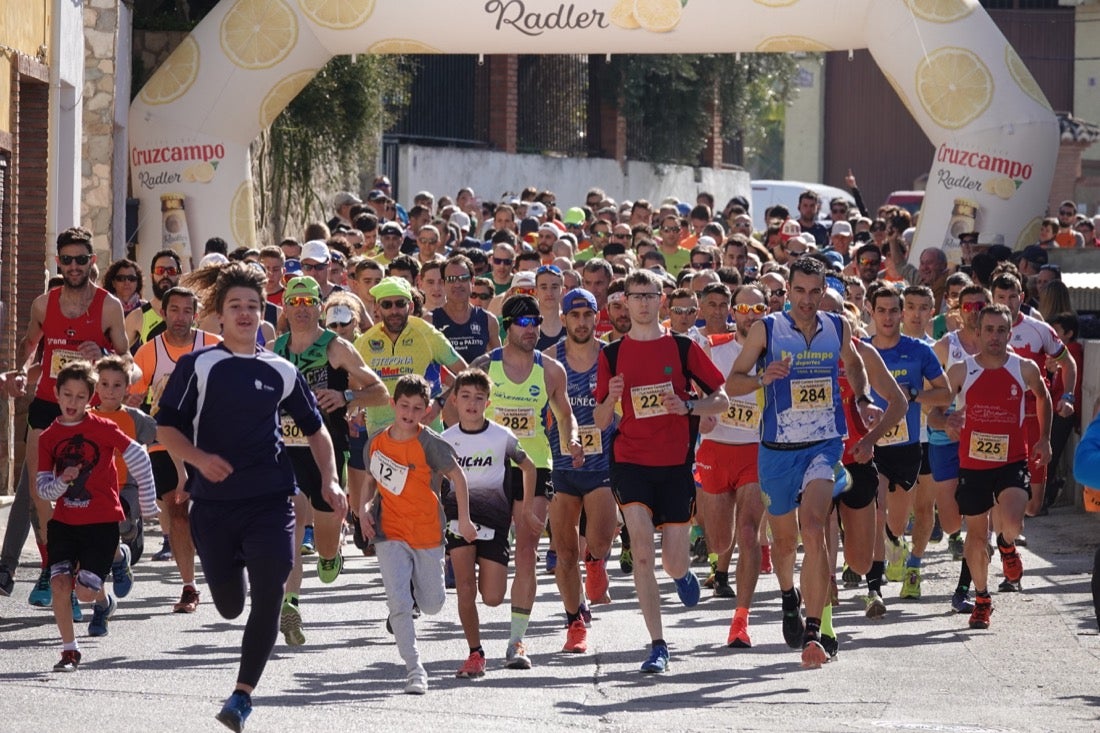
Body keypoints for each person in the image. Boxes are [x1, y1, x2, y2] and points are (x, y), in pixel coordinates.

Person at [155, 262, 346, 731]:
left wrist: (331, 478)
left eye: (252, 307)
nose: (244, 313)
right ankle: (227, 580)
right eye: (235, 306)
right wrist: (198, 460)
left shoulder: (280, 369)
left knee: (268, 594)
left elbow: (317, 430)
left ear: (264, 315)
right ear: (218, 316)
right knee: (228, 605)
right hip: (213, 504)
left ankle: (242, 696)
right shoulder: (197, 365)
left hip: (271, 497)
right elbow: (166, 428)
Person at [727, 256, 877, 669]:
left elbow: (855, 363)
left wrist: (862, 398)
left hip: (824, 445)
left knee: (814, 527)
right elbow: (732, 382)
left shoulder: (837, 327)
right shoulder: (768, 329)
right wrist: (762, 378)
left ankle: (814, 628)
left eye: (815, 292)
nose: (807, 300)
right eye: (800, 291)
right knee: (784, 542)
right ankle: (788, 596)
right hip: (777, 449)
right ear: (787, 291)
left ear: (824, 290)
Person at [595, 269, 728, 673]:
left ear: (660, 301)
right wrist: (611, 399)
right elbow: (601, 421)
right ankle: (657, 644)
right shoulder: (612, 354)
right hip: (630, 461)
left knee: (673, 562)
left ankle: (682, 574)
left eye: (649, 296)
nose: (642, 303)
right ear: (624, 303)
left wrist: (688, 407)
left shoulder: (684, 348)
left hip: (674, 465)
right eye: (634, 297)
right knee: (641, 555)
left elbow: (720, 400)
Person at [7, 227, 131, 608]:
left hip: (89, 409)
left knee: (88, 497)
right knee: (40, 494)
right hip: (47, 405)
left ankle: (112, 557)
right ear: (57, 262)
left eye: (81, 259)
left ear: (92, 262)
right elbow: (30, 346)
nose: (74, 266)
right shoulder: (44, 304)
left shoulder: (109, 306)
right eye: (67, 259)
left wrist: (105, 349)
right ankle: (52, 569)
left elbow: (127, 361)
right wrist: (16, 372)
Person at [272, 276, 388, 647]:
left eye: (309, 301)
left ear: (319, 307)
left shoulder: (334, 347)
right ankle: (289, 603)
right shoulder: (276, 349)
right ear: (286, 309)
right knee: (288, 527)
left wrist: (346, 395)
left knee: (322, 543)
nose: (302, 308)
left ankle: (330, 553)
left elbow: (381, 392)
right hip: (285, 452)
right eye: (296, 302)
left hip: (326, 455)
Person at [469, 294, 582, 669]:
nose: (531, 328)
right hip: (489, 468)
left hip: (535, 466)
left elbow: (565, 415)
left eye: (535, 322)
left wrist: (573, 441)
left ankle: (517, 641)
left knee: (528, 549)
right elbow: (463, 414)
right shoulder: (484, 367)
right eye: (523, 322)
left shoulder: (550, 370)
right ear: (507, 327)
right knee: (491, 589)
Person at [36, 360, 156, 671]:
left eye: (80, 396)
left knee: (86, 594)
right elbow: (43, 488)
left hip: (102, 523)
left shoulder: (103, 428)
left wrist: (147, 502)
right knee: (61, 584)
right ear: (56, 394)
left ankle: (112, 576)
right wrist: (62, 482)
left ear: (90, 398)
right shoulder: (48, 437)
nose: (72, 402)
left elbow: (141, 457)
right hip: (65, 523)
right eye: (67, 395)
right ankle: (69, 651)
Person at [361, 374, 478, 694]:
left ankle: (414, 596)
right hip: (390, 532)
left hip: (427, 533)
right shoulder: (376, 442)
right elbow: (370, 480)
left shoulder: (430, 443)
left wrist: (464, 520)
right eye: (404, 406)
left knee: (433, 604)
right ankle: (415, 670)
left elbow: (459, 477)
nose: (409, 414)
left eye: (416, 408)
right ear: (392, 404)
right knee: (398, 603)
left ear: (426, 410)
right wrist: (363, 509)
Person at [943, 304, 1051, 629]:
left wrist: (1044, 439)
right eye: (988, 329)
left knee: (1015, 521)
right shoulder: (961, 371)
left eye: (1001, 330)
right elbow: (938, 407)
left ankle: (1006, 544)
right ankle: (982, 598)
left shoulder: (1024, 368)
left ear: (1009, 333)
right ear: (977, 333)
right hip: (973, 465)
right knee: (975, 536)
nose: (994, 336)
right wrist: (945, 421)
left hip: (1011, 460)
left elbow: (1043, 396)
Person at [129, 286, 220, 613]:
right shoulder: (148, 353)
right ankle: (189, 586)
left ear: (195, 314)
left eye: (186, 311)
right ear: (163, 313)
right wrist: (134, 401)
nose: (180, 317)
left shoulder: (213, 347)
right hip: (163, 444)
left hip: (208, 442)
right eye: (174, 310)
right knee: (178, 511)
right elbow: (131, 399)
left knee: (211, 512)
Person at [441, 369, 536, 678]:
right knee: (465, 588)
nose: (471, 404)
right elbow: (429, 477)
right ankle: (475, 653)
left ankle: (491, 639)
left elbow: (529, 467)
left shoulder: (501, 436)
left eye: (479, 398)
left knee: (493, 597)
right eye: (465, 397)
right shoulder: (445, 440)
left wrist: (526, 512)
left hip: (494, 523)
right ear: (454, 401)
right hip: (459, 522)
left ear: (488, 403)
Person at [544, 288, 620, 653]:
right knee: (563, 550)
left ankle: (597, 562)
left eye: (587, 315)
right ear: (563, 319)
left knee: (601, 540)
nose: (581, 322)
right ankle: (574, 621)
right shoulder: (549, 361)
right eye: (574, 316)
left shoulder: (610, 357)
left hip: (603, 461)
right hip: (560, 464)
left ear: (596, 316)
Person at [695, 284, 769, 645]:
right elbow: (691, 383)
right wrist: (700, 414)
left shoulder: (775, 350)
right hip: (715, 451)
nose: (750, 316)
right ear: (733, 311)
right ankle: (718, 565)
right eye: (744, 308)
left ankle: (741, 619)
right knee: (720, 540)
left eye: (758, 310)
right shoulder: (713, 345)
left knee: (749, 533)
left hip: (756, 451)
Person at [430, 255, 501, 364]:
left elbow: (499, 362)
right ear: (443, 284)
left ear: (472, 281)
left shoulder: (488, 320)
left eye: (463, 278)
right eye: (451, 279)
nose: (457, 284)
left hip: (477, 379)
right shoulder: (429, 321)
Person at [124, 249, 183, 351]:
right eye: (160, 271)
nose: (165, 275)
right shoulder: (137, 317)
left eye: (171, 271)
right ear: (152, 276)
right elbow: (120, 354)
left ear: (179, 276)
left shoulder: (196, 314)